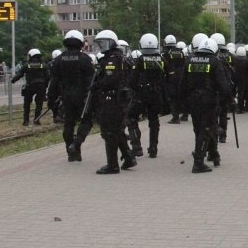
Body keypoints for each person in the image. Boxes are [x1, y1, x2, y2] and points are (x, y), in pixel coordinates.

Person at [179, 37, 231, 173]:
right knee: (207, 129)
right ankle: (199, 163)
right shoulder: (215, 62)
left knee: (200, 129)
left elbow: (182, 84)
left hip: (193, 101)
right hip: (209, 101)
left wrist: (182, 102)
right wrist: (229, 100)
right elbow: (223, 85)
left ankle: (213, 154)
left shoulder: (189, 60)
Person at [92, 30, 137, 174]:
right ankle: (128, 157)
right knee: (117, 130)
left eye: (104, 43)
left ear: (112, 42)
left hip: (112, 99)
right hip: (119, 99)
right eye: (100, 43)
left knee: (110, 132)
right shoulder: (119, 57)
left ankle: (112, 165)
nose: (102, 46)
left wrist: (97, 84)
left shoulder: (112, 59)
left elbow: (110, 80)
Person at [48, 30, 94, 162]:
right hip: (82, 97)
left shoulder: (58, 59)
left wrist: (51, 101)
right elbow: (91, 81)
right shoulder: (85, 59)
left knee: (68, 124)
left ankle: (71, 152)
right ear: (80, 43)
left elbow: (53, 83)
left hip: (66, 96)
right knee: (87, 121)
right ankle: (76, 144)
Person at [128, 34, 165, 158]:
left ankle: (136, 146)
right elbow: (169, 76)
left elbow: (132, 80)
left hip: (141, 94)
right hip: (157, 95)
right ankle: (153, 148)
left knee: (131, 118)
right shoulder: (162, 60)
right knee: (154, 121)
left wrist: (135, 89)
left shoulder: (139, 60)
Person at [11, 48, 50, 126]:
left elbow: (20, 74)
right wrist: (45, 86)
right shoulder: (43, 65)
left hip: (30, 86)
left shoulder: (27, 65)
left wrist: (13, 80)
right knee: (39, 104)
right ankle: (37, 120)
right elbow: (47, 77)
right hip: (41, 86)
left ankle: (26, 121)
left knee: (27, 104)